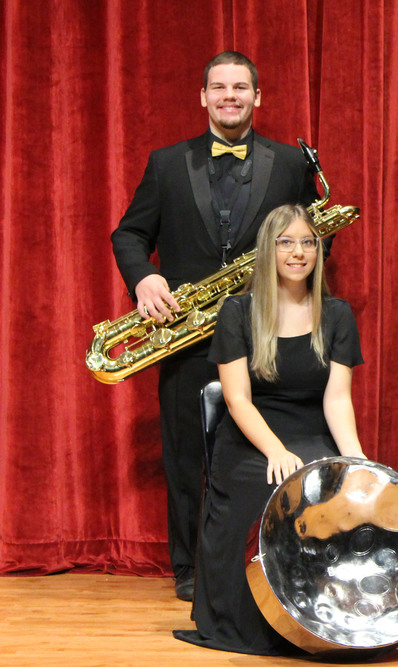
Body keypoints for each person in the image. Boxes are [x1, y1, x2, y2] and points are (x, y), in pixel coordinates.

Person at [110, 51, 319, 599]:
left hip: (264, 333)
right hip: (185, 336)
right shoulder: (165, 163)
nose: (230, 96)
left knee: (259, 451)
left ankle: (259, 561)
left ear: (258, 96)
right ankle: (188, 568)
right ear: (203, 97)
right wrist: (143, 280)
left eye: (241, 87)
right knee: (185, 455)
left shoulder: (291, 165)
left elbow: (309, 241)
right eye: (219, 87)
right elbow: (128, 235)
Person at [174, 204, 366, 655]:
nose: (297, 252)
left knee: (325, 493)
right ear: (269, 250)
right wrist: (275, 450)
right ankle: (245, 624)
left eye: (307, 242)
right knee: (262, 491)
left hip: (312, 431)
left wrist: (357, 459)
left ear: (318, 251)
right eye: (286, 242)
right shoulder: (237, 312)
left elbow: (337, 399)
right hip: (251, 436)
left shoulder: (337, 315)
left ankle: (320, 624)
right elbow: (237, 398)